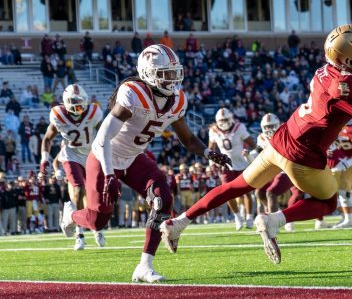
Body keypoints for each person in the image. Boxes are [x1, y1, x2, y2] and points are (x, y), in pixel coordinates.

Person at [161, 24, 352, 264]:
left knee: (236, 186)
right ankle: (274, 219)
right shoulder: (344, 85)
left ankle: (179, 223)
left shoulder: (328, 70)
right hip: (303, 154)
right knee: (328, 202)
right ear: (346, 59)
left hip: (282, 139)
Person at [58, 44, 230, 282]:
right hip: (104, 156)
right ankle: (70, 216)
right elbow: (101, 139)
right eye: (165, 73)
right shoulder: (133, 94)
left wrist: (209, 154)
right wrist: (109, 174)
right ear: (148, 73)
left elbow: (188, 139)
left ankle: (144, 265)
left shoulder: (178, 100)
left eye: (174, 73)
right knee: (98, 220)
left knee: (163, 198)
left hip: (134, 157)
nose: (172, 79)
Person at [40, 84, 104, 250]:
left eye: (81, 101)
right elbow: (47, 139)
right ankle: (79, 233)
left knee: (94, 196)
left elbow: (106, 133)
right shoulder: (58, 115)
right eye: (75, 101)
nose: (79, 104)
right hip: (71, 156)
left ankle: (94, 226)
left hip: (91, 155)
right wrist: (44, 160)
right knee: (77, 191)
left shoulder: (94, 112)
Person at [209, 108, 256, 230]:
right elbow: (211, 149)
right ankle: (237, 217)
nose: (223, 122)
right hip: (226, 166)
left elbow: (253, 144)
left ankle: (249, 217)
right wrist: (212, 161)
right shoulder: (213, 130)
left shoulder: (239, 127)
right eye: (221, 120)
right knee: (227, 193)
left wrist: (248, 153)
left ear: (230, 119)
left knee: (246, 192)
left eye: (225, 120)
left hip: (242, 164)